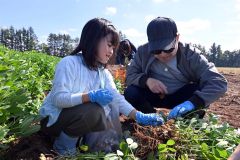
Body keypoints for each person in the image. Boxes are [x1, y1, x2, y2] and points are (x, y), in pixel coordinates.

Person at [39, 18, 164, 156]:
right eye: (109, 45)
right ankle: (63, 149)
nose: (111, 52)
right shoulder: (69, 63)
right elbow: (58, 99)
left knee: (111, 106)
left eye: (113, 48)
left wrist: (138, 115)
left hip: (75, 120)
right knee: (93, 110)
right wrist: (89, 96)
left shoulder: (103, 73)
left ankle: (102, 149)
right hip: (53, 121)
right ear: (93, 40)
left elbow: (116, 98)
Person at [124, 17, 228, 120]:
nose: (163, 55)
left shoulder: (191, 55)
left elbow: (219, 82)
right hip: (153, 97)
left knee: (196, 90)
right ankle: (151, 119)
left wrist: (193, 103)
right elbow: (130, 75)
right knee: (131, 92)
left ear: (177, 38)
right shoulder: (143, 52)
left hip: (181, 99)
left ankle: (185, 120)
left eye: (168, 49)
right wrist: (146, 81)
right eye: (156, 51)